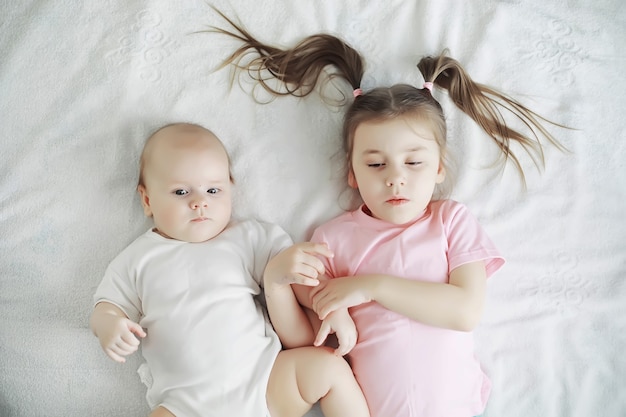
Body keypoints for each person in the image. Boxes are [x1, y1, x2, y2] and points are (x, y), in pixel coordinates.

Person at [211, 14, 566, 417]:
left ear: (438, 169)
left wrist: (370, 287)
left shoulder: (449, 221)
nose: (396, 180)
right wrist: (291, 289)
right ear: (352, 173)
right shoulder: (332, 239)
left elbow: (464, 311)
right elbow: (307, 343)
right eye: (376, 165)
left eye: (413, 163)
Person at [89, 123, 371, 417]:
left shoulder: (247, 238)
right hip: (184, 405)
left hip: (264, 382)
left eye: (213, 190)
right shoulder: (137, 259)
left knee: (329, 368)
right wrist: (110, 325)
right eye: (181, 192)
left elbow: (300, 273)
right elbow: (107, 305)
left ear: (230, 190)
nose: (200, 202)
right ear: (147, 200)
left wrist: (330, 306)